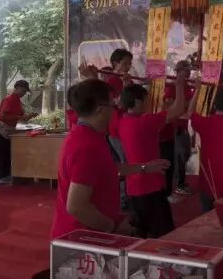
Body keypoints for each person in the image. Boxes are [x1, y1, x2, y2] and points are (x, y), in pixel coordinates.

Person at [50, 79, 170, 239]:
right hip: (81, 237)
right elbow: (76, 206)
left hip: (87, 232)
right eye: (112, 105)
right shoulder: (87, 146)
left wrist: (144, 168)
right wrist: (112, 227)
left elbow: (107, 168)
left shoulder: (89, 135)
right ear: (99, 109)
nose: (115, 111)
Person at [118, 72, 192, 238]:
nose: (148, 103)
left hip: (134, 187)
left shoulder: (123, 121)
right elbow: (178, 109)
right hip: (149, 186)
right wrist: (179, 85)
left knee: (141, 232)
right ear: (138, 102)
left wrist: (126, 87)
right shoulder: (145, 122)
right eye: (146, 100)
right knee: (163, 234)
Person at [0, 80, 37, 189]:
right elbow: (2, 116)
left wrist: (28, 116)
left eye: (25, 91)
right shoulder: (9, 99)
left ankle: (4, 175)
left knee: (6, 154)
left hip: (9, 130)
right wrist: (20, 117)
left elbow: (20, 117)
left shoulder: (17, 101)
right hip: (1, 129)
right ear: (17, 88)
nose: (24, 93)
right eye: (23, 90)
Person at [160, 60, 195, 201]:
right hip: (175, 127)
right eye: (186, 69)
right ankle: (178, 184)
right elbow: (169, 104)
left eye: (189, 69)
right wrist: (186, 104)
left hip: (183, 126)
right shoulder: (173, 86)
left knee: (185, 154)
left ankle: (178, 182)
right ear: (178, 71)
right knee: (178, 156)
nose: (189, 72)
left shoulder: (187, 86)